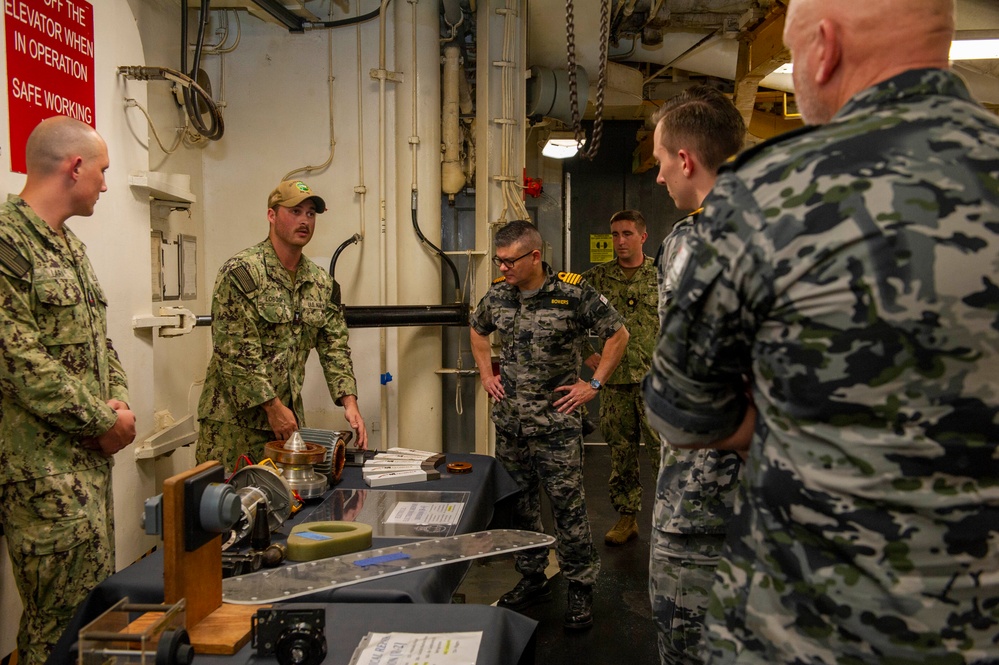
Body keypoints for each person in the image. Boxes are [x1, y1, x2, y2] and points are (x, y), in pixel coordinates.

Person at [643, 1, 999, 662]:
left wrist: (798, 423)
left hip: (814, 624)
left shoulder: (766, 193)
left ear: (823, 49)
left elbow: (683, 415)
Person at [0, 116, 137, 665]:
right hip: (42, 475)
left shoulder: (69, 247)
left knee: (88, 617)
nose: (105, 184)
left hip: (84, 472)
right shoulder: (9, 241)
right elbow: (17, 358)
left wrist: (120, 399)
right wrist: (101, 421)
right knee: (55, 627)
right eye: (101, 171)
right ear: (74, 167)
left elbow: (98, 341)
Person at [469, 220, 629, 630]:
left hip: (556, 425)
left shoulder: (573, 293)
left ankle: (580, 585)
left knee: (568, 508)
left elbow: (618, 335)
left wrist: (593, 384)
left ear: (535, 256)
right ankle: (532, 576)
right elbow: (477, 328)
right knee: (521, 505)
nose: (502, 268)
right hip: (511, 425)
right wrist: (487, 374)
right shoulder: (499, 294)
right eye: (499, 260)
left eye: (509, 261)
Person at [646, 85, 746, 664]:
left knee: (689, 644)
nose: (659, 178)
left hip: (702, 500)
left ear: (686, 160)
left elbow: (701, 384)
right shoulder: (790, 227)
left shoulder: (696, 242)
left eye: (661, 163)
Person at [197, 179, 367, 471]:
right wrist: (272, 407)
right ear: (271, 215)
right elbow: (236, 353)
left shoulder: (321, 284)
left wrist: (349, 402)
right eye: (295, 211)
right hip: (233, 425)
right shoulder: (242, 273)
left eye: (311, 214)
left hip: (285, 424)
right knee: (227, 509)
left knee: (282, 508)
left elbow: (334, 347)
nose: (304, 221)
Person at [581, 210, 661, 546]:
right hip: (614, 383)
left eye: (627, 234)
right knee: (621, 453)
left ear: (643, 237)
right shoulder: (596, 279)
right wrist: (588, 354)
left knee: (665, 452)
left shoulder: (663, 273)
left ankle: (671, 518)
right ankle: (627, 518)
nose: (620, 241)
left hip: (658, 382)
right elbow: (566, 316)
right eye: (615, 234)